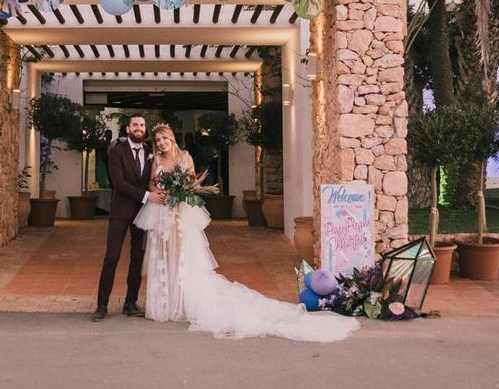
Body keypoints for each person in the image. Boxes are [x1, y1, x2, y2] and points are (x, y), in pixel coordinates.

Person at [134, 124, 358, 341]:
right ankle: (166, 301)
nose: (162, 143)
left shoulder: (185, 156)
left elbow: (192, 182)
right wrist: (160, 193)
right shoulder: (157, 160)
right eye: (158, 141)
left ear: (172, 137)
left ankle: (183, 302)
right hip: (162, 211)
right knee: (165, 256)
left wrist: (179, 193)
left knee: (183, 255)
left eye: (165, 138)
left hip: (181, 213)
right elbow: (152, 184)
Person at [92, 114, 166, 322]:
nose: (139, 128)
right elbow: (120, 184)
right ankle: (102, 305)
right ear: (127, 129)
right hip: (120, 212)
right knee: (112, 257)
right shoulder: (116, 152)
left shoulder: (152, 153)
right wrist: (147, 195)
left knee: (137, 257)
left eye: (142, 125)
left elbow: (155, 179)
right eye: (135, 125)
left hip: (143, 213)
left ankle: (130, 303)